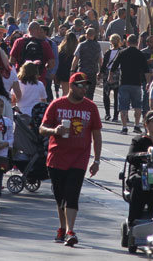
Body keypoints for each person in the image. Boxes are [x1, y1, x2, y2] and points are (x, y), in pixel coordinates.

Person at [39, 72, 102, 247]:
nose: (84, 89)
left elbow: (96, 135)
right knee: (60, 197)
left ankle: (70, 231)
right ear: (72, 86)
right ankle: (62, 227)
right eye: (80, 85)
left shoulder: (91, 107)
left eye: (86, 86)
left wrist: (96, 160)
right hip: (57, 157)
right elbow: (42, 128)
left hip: (79, 158)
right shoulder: (57, 104)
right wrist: (54, 131)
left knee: (72, 194)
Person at [110, 34, 151, 134]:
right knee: (137, 106)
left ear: (127, 42)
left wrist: (110, 77)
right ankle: (136, 125)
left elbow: (114, 66)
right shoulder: (140, 54)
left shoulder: (122, 52)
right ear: (137, 43)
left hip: (124, 82)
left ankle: (124, 127)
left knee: (123, 106)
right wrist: (148, 83)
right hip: (136, 83)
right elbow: (146, 70)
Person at [71, 26, 103, 100]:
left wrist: (72, 70)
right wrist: (100, 71)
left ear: (86, 35)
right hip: (93, 71)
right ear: (94, 35)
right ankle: (89, 105)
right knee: (90, 92)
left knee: (81, 91)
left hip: (82, 71)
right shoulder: (97, 45)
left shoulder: (81, 45)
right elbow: (100, 59)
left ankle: (81, 104)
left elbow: (76, 58)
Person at [101, 34, 123, 121]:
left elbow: (104, 65)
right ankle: (116, 115)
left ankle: (107, 113)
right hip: (118, 74)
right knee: (117, 95)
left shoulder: (108, 52)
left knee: (106, 94)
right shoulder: (121, 51)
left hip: (108, 73)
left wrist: (101, 73)